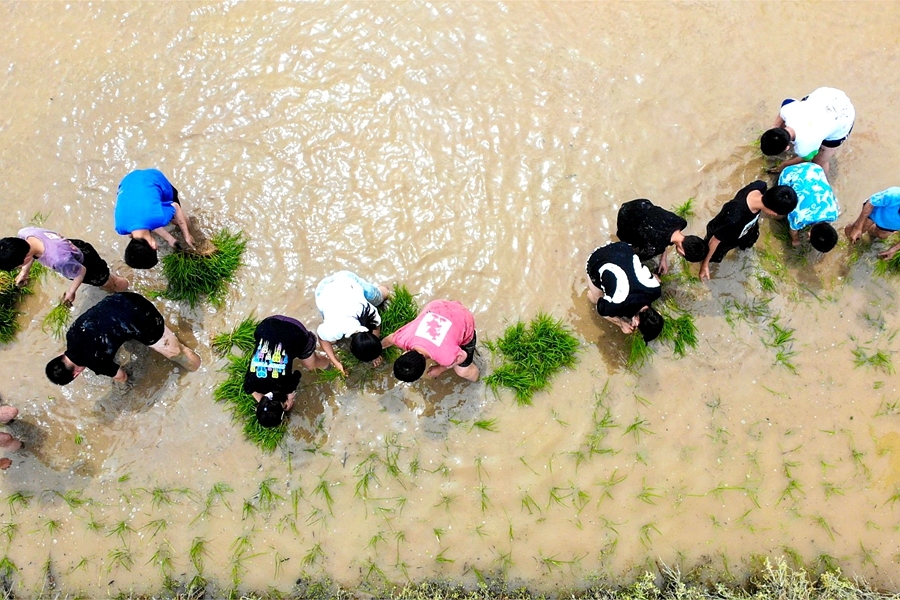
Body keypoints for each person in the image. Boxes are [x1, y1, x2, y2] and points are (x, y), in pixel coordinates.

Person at [45, 292, 200, 386]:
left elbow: (122, 376)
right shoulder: (71, 333)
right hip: (124, 298)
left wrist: (125, 385)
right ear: (59, 356)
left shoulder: (97, 364)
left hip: (144, 318)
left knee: (177, 354)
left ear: (76, 374)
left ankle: (198, 369)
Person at [243, 315, 330, 428]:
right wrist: (263, 402)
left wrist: (290, 398)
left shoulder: (286, 385)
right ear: (257, 408)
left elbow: (297, 373)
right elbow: (252, 391)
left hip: (294, 330)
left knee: (313, 367)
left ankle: (330, 363)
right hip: (267, 325)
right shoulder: (249, 385)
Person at [0, 228, 128, 305]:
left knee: (108, 282)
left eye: (18, 266)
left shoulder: (57, 260)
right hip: (74, 247)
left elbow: (81, 271)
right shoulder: (25, 233)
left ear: (26, 259)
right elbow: (28, 252)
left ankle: (127, 287)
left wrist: (71, 292)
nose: (19, 268)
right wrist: (24, 271)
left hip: (86, 264)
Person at [700, 182, 798, 281]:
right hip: (726, 237)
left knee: (748, 242)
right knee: (714, 256)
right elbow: (714, 240)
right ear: (773, 213)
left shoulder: (760, 186)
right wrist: (705, 264)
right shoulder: (734, 219)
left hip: (748, 230)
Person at [760, 87, 855, 176]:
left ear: (786, 148)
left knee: (818, 162)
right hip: (829, 95)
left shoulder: (805, 148)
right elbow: (785, 104)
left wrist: (784, 165)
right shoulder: (788, 110)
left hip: (844, 117)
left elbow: (806, 159)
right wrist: (775, 126)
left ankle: (823, 180)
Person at [114, 169, 195, 269]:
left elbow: (176, 207)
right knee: (152, 217)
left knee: (176, 220)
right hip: (128, 181)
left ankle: (191, 231)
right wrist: (171, 239)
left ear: (154, 246)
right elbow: (149, 222)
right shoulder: (120, 228)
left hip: (153, 178)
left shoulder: (159, 218)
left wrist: (187, 235)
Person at [381, 300, 479, 382]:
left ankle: (477, 380)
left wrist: (440, 369)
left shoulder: (446, 357)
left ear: (424, 368)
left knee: (462, 371)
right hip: (437, 305)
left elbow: (463, 355)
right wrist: (379, 348)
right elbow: (389, 339)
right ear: (404, 353)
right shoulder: (402, 338)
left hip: (465, 319)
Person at [314, 271, 390, 376]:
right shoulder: (335, 329)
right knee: (332, 340)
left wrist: (373, 348)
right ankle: (385, 289)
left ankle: (385, 290)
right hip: (325, 289)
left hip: (347, 284)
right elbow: (322, 338)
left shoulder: (370, 313)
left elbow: (376, 326)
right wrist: (336, 362)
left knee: (379, 298)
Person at [586, 242, 663, 342]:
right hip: (596, 258)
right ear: (636, 322)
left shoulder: (656, 290)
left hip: (621, 247)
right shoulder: (616, 305)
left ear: (658, 313)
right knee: (594, 298)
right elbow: (601, 310)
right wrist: (621, 323)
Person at [615, 199, 708, 274]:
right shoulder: (655, 248)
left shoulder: (681, 222)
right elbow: (633, 258)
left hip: (640, 204)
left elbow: (665, 234)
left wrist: (663, 259)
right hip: (625, 218)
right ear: (682, 252)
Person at [777, 162, 839, 252]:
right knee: (780, 215)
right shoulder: (800, 218)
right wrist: (795, 240)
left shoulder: (834, 213)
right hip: (789, 173)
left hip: (815, 168)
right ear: (809, 235)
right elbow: (793, 230)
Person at [845, 187, 900, 260]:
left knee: (881, 235)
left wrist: (893, 249)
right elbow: (871, 202)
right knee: (853, 232)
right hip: (873, 213)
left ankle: (871, 235)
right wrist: (857, 227)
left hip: (890, 225)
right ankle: (850, 247)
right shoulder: (894, 195)